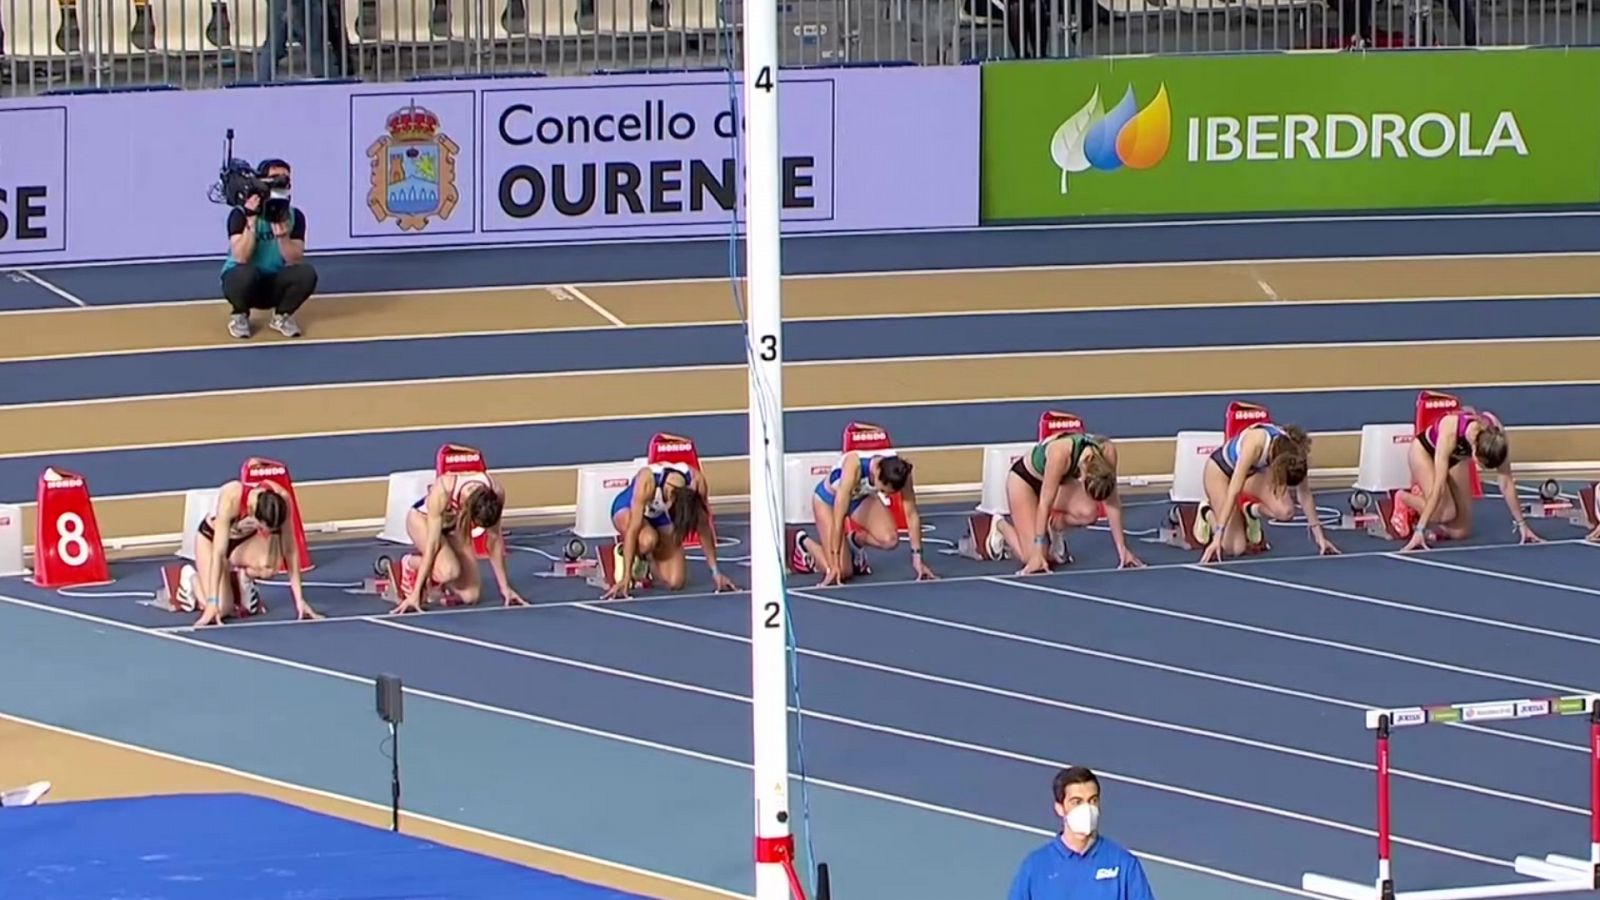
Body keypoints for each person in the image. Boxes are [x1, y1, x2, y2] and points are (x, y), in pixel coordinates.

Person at [1394, 408, 1542, 550]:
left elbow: (1506, 482)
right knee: (1446, 512)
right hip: (1426, 454)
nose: (1482, 469)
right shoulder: (1451, 431)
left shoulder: (1496, 436)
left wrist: (1522, 525)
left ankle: (1429, 509)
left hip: (1455, 459)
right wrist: (1420, 531)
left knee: (1460, 532)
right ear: (1475, 449)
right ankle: (1404, 498)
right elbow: (1439, 488)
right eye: (1482, 465)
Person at [1197, 422, 1340, 564]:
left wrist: (1320, 538)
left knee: (1285, 511)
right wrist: (1218, 536)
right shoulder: (1254, 444)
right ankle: (1207, 512)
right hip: (1220, 473)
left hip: (1249, 475)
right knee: (1235, 548)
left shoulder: (1295, 454)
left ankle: (1250, 511)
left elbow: (1305, 495)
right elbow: (1233, 491)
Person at [1006, 766, 1156, 900]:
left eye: (1092, 800)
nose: (1087, 809)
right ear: (1059, 808)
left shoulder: (1124, 864)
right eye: (1077, 802)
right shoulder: (1035, 866)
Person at [1005, 429, 1144, 573]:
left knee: (1088, 512)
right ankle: (998, 524)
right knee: (1031, 557)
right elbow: (1045, 505)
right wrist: (1038, 552)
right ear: (1083, 475)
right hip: (1024, 482)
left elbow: (1112, 502)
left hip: (1054, 483)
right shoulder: (1060, 455)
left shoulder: (1107, 451)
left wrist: (1123, 549)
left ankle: (1054, 527)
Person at [790, 452, 937, 585]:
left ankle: (854, 541)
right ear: (877, 472)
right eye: (883, 491)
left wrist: (918, 561)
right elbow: (838, 519)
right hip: (828, 501)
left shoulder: (902, 472)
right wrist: (834, 565)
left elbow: (911, 515)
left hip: (859, 498)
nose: (885, 496)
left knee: (890, 540)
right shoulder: (854, 467)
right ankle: (803, 542)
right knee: (842, 571)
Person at [190, 476, 320, 627]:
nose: (267, 532)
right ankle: (191, 579)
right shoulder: (232, 497)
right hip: (211, 541)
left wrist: (300, 600)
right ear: (254, 513)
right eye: (264, 528)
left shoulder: (282, 499)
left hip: (242, 542)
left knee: (269, 566)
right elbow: (219, 554)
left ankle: (240, 578)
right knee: (221, 609)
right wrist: (212, 603)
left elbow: (290, 550)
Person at [392, 469, 526, 614]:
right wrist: (415, 594)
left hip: (453, 526)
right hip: (422, 521)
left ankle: (438, 576)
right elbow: (433, 545)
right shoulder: (445, 489)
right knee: (449, 571)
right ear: (468, 508)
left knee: (471, 596)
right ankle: (409, 564)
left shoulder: (496, 492)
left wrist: (505, 588)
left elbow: (494, 541)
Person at [600, 460, 738, 600]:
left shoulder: (697, 482)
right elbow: (633, 529)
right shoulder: (648, 481)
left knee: (675, 582)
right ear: (670, 500)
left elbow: (704, 529)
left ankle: (647, 562)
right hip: (628, 510)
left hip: (658, 517)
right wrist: (626, 577)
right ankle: (625, 552)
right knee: (648, 539)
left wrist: (716, 573)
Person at [221, 158, 317, 340]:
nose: (281, 183)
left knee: (306, 274)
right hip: (245, 282)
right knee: (242, 273)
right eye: (275, 178)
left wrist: (282, 237)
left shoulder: (295, 216)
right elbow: (240, 257)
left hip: (274, 282)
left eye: (285, 179)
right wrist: (251, 222)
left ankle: (282, 315)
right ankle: (240, 315)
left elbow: (294, 259)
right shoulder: (240, 214)